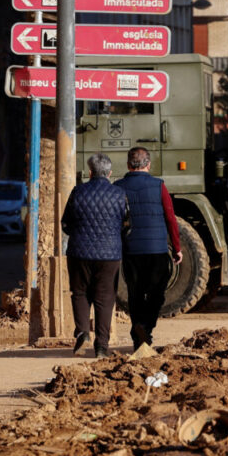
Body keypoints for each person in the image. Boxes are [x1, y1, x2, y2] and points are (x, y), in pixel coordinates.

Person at [61, 153, 129, 359]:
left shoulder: (77, 192)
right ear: (109, 173)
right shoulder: (119, 194)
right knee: (105, 298)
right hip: (109, 254)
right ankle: (102, 346)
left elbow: (65, 223)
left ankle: (82, 333)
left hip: (78, 252)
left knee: (80, 292)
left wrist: (79, 235)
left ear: (90, 172)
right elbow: (127, 225)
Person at [114, 147, 181, 350]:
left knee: (135, 292)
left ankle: (138, 336)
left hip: (131, 249)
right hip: (156, 249)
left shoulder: (118, 187)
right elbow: (170, 218)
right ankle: (146, 327)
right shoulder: (159, 186)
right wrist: (177, 247)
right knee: (156, 293)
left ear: (128, 165)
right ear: (148, 164)